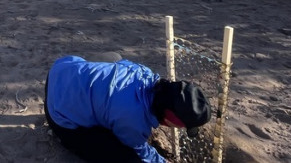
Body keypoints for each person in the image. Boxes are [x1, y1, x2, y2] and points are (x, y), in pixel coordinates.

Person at [44, 55, 211, 163]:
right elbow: (138, 149)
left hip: (61, 70)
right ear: (170, 119)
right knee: (124, 157)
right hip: (58, 114)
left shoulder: (145, 74)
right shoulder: (134, 118)